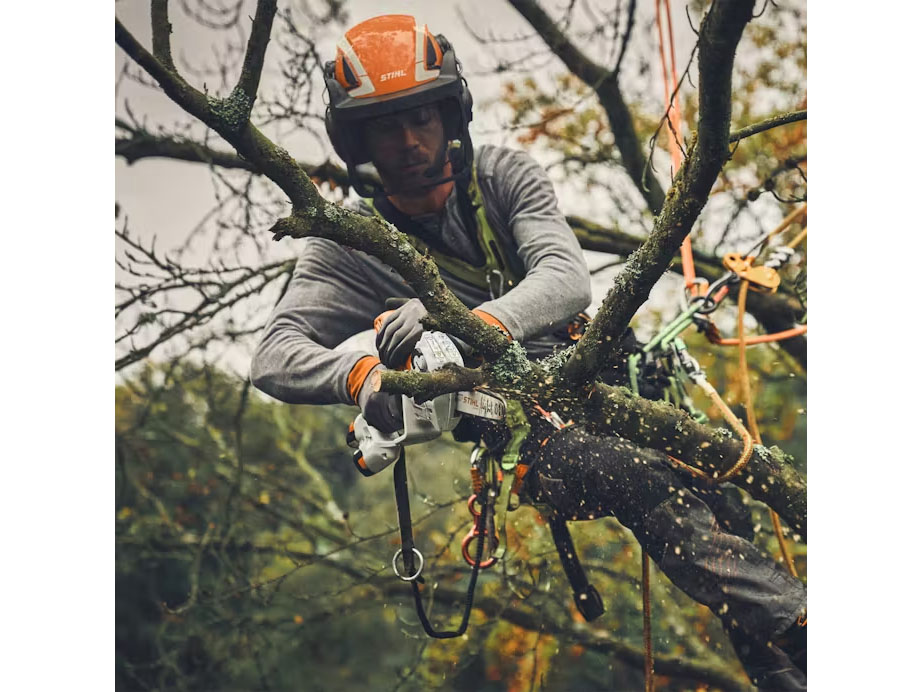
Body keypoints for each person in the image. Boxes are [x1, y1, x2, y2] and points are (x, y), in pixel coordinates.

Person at [251, 14, 806, 689]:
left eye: (421, 118)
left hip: (606, 376)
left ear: (449, 114)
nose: (409, 141)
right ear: (356, 139)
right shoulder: (347, 245)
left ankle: (794, 662)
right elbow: (275, 355)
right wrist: (363, 375)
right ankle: (804, 623)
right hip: (523, 428)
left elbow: (566, 279)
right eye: (386, 127)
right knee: (635, 478)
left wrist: (459, 323)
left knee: (728, 511)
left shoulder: (503, 176)